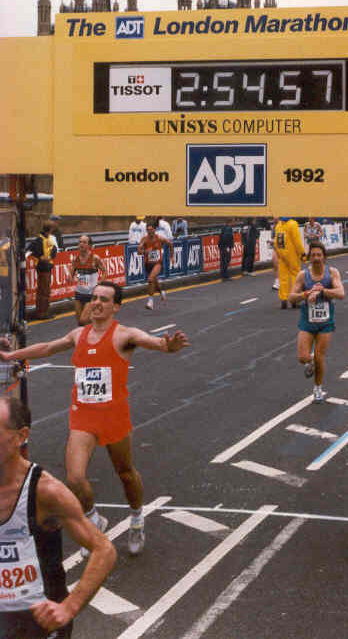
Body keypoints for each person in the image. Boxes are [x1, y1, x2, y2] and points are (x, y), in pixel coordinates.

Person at [0, 281, 189, 559]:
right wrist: (10, 355)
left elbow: (153, 341)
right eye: (94, 298)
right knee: (75, 478)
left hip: (113, 416)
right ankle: (93, 519)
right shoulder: (79, 334)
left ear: (116, 306)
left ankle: (137, 519)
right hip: (83, 416)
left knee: (126, 473)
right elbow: (48, 347)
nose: (96, 303)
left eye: (104, 299)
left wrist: (167, 345)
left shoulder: (124, 335)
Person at [0, 395, 116, 639]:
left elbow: (103, 550)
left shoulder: (46, 491)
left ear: (21, 436)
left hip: (38, 628)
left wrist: (69, 608)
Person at [289, 241, 345, 403]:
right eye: (313, 255)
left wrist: (323, 290)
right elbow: (291, 297)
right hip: (307, 321)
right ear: (309, 257)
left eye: (319, 255)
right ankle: (310, 359)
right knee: (302, 357)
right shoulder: (303, 275)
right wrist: (306, 294)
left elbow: (341, 293)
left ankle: (318, 388)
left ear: (324, 257)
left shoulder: (332, 273)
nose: (316, 258)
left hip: (325, 322)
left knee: (320, 358)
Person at [68, 235, 106, 325]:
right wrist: (70, 277)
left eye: (84, 242)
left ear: (89, 245)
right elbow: (71, 275)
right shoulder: (75, 259)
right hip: (79, 293)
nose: (81, 244)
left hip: (91, 294)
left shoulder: (95, 258)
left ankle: (97, 326)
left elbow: (105, 271)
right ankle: (91, 333)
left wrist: (100, 283)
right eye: (80, 242)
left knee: (83, 320)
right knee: (80, 323)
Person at [138, 223, 173, 310]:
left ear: (154, 230)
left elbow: (170, 244)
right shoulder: (144, 240)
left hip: (158, 263)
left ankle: (150, 301)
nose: (150, 231)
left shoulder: (159, 238)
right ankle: (162, 292)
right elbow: (139, 251)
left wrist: (172, 256)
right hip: (148, 264)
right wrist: (145, 251)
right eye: (148, 230)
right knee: (154, 282)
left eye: (151, 229)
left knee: (150, 279)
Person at [274, 218, 306, 309]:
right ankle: (294, 299)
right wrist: (302, 253)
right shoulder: (293, 224)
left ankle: (283, 299)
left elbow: (276, 242)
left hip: (281, 253)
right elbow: (297, 241)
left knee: (283, 277)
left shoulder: (278, 225)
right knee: (296, 275)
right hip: (292, 254)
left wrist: (278, 253)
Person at [29, 222, 57, 320]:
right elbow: (30, 250)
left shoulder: (43, 239)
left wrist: (46, 257)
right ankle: (43, 313)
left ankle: (40, 311)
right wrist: (40, 258)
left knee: (42, 290)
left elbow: (54, 250)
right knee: (45, 291)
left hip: (44, 267)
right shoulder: (40, 239)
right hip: (44, 268)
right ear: (50, 230)